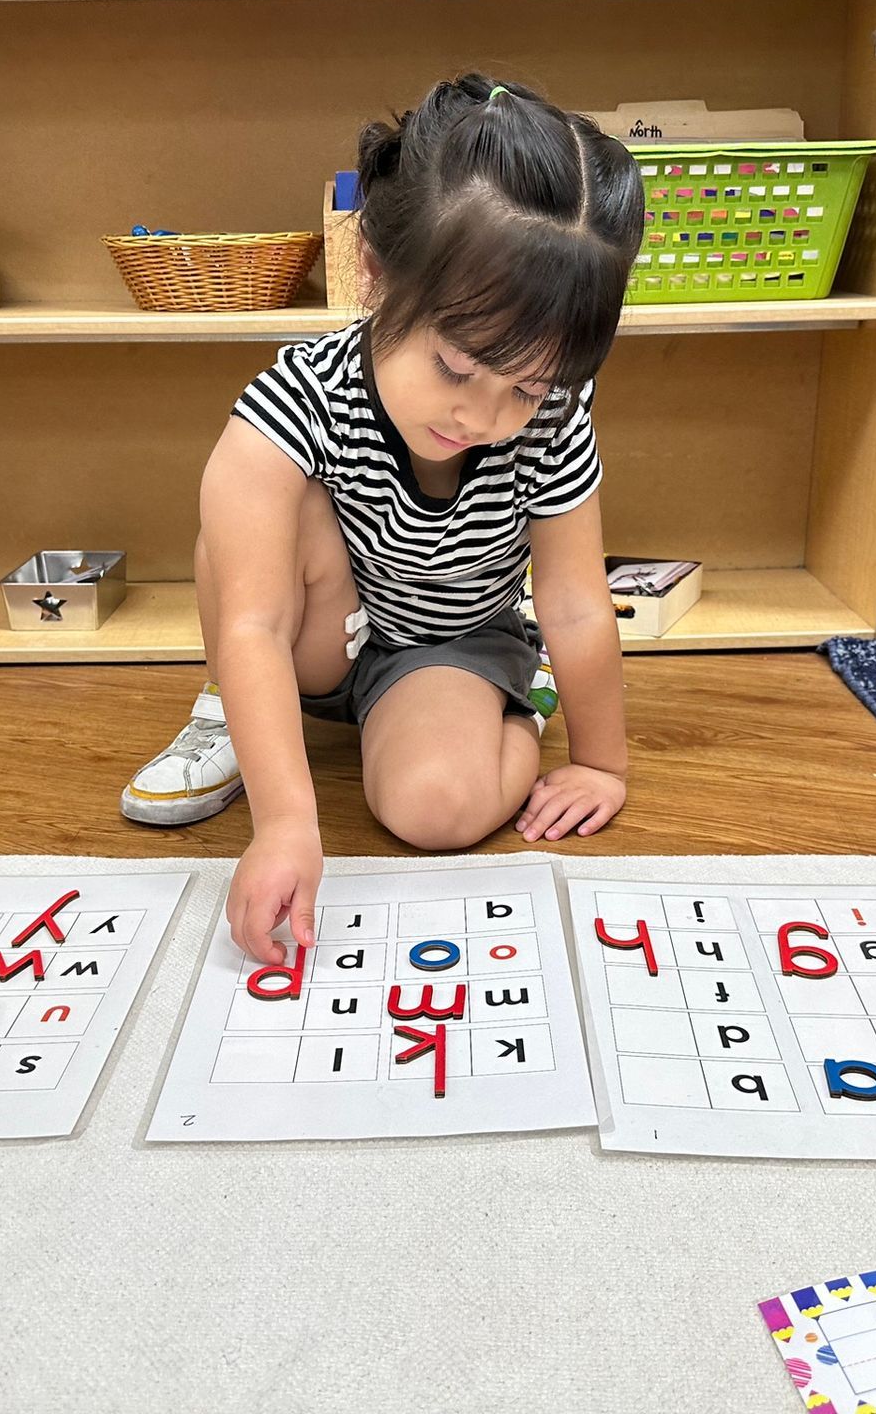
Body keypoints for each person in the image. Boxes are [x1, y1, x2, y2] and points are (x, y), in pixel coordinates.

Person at [122, 73, 644, 966]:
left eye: (525, 389)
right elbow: (252, 620)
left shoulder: (555, 411)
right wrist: (286, 824)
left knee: (434, 809)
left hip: (450, 641)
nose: (483, 417)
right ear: (374, 272)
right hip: (319, 637)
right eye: (455, 367)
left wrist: (601, 762)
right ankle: (231, 711)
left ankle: (513, 704)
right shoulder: (298, 397)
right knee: (245, 511)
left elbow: (572, 599)